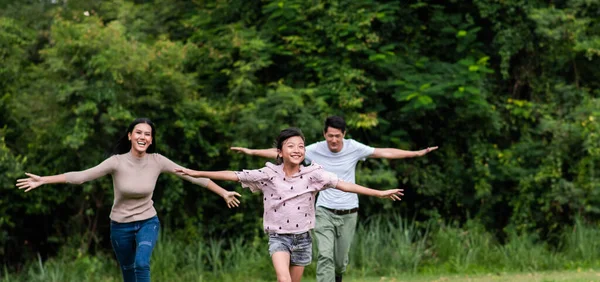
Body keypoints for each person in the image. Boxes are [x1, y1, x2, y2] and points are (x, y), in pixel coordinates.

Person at [16, 118, 241, 282]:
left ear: (151, 140)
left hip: (147, 222)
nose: (143, 137)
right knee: (127, 270)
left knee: (141, 264)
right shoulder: (116, 162)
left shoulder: (158, 160)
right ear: (130, 136)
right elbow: (81, 177)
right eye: (139, 133)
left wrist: (223, 192)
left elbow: (193, 176)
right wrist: (44, 180)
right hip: (119, 226)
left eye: (148, 134)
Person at [175, 127, 403, 282]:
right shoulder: (268, 174)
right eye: (291, 146)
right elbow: (234, 175)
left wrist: (379, 193)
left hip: (303, 238)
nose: (297, 150)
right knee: (283, 279)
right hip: (278, 237)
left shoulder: (314, 174)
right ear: (280, 151)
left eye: (301, 146)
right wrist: (196, 172)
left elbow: (344, 185)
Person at [231, 116, 437, 282]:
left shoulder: (354, 148)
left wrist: (416, 153)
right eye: (330, 136)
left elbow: (384, 152)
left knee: (339, 262)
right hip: (323, 209)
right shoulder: (312, 149)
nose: (333, 140)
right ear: (324, 135)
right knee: (325, 256)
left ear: (344, 135)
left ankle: (338, 276)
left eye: (337, 136)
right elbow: (284, 151)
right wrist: (251, 151)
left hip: (349, 210)